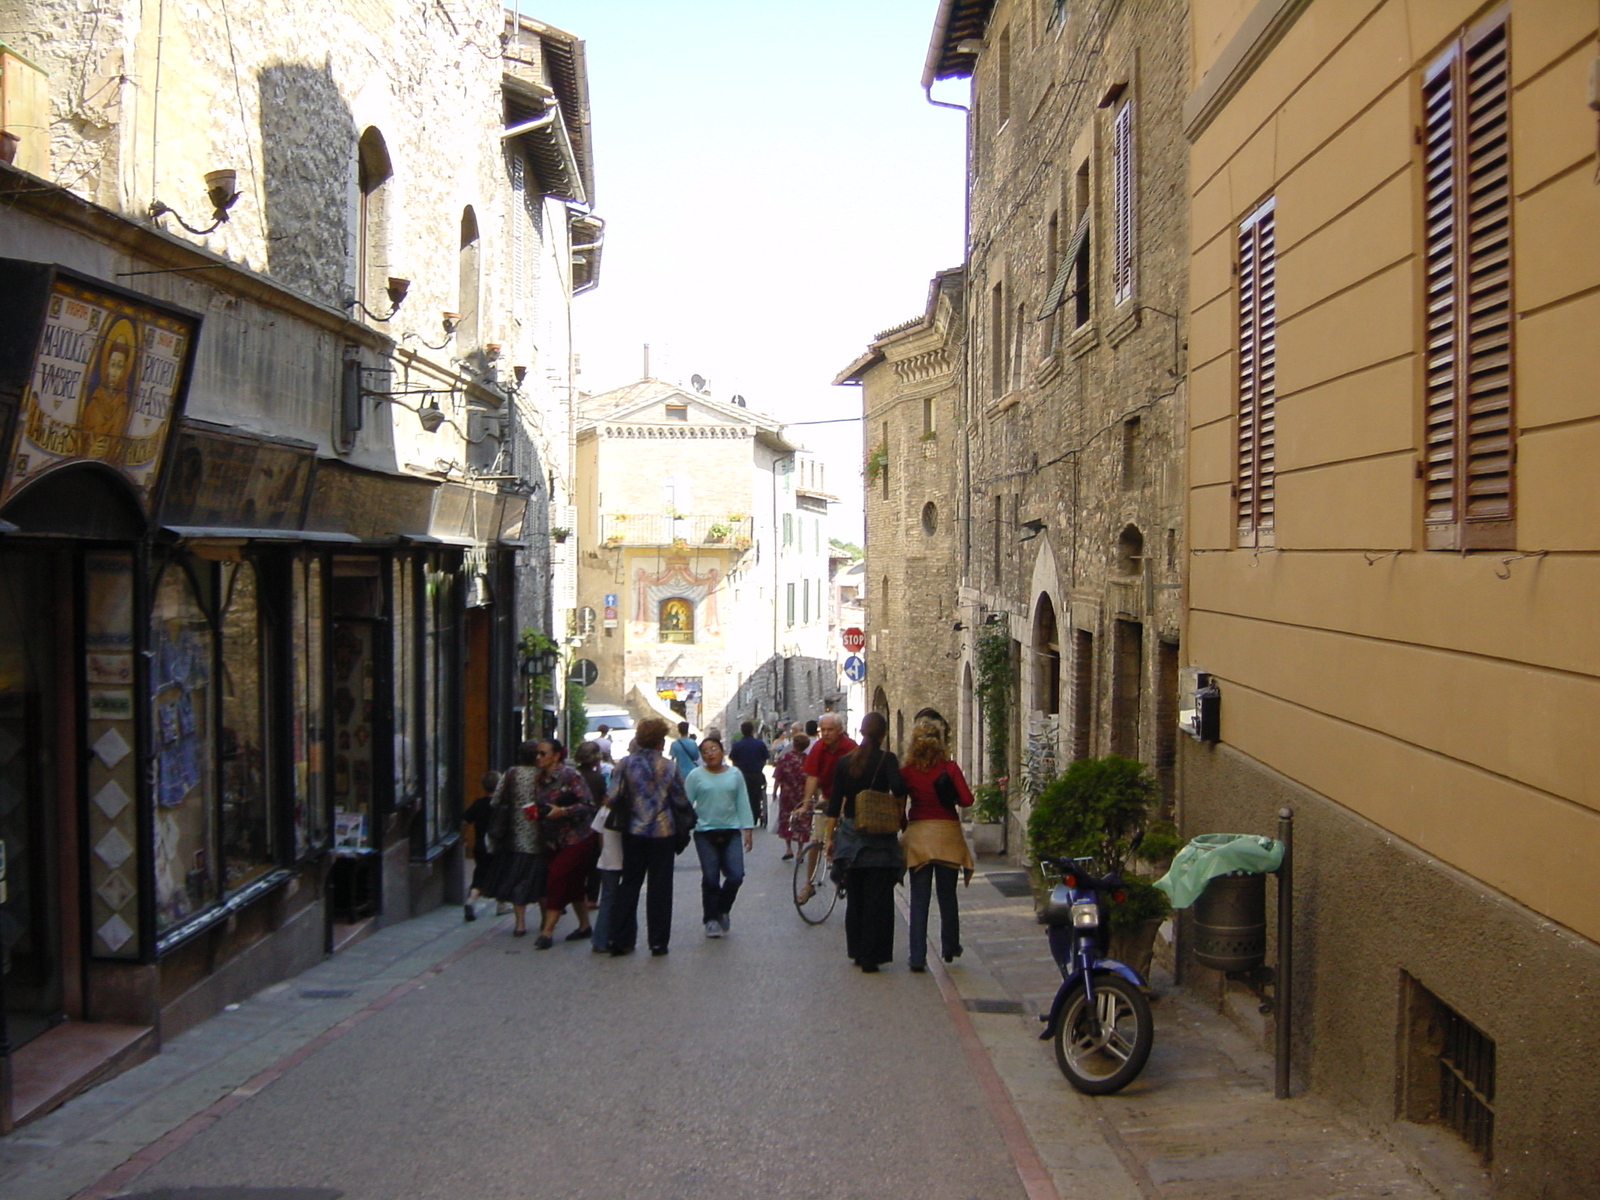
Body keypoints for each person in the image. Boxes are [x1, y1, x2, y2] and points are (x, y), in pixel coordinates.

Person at [829, 712, 907, 973]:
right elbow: (898, 789)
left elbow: (834, 803)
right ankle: (873, 955)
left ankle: (857, 950)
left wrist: (830, 838)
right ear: (883, 734)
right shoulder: (887, 759)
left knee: (856, 897)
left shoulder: (844, 762)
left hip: (851, 837)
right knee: (879, 899)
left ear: (861, 732)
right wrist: (899, 815)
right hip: (879, 838)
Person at [607, 717, 689, 956]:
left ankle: (621, 939)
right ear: (659, 741)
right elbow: (681, 800)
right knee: (660, 888)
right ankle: (658, 942)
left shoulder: (625, 764)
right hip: (664, 831)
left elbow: (612, 797)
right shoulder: (670, 767)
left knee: (630, 884)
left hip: (634, 831)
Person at [899, 717, 975, 972]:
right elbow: (967, 800)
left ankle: (917, 957)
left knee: (918, 899)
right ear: (940, 742)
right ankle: (950, 946)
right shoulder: (949, 768)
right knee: (947, 894)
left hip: (919, 834)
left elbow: (899, 804)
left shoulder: (907, 771)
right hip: (947, 836)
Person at [526, 740, 599, 949]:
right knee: (574, 883)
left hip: (577, 837)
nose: (538, 757)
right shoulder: (539, 779)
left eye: (543, 753)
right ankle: (585, 926)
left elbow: (588, 805)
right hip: (552, 840)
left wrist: (564, 811)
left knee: (557, 878)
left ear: (556, 756)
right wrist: (537, 812)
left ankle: (547, 931)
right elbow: (542, 805)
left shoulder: (570, 776)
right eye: (536, 754)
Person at [685, 736, 755, 938]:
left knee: (735, 876)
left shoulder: (735, 774)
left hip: (730, 830)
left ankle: (722, 908)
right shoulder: (695, 776)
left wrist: (747, 829)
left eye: (713, 749)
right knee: (711, 878)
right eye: (705, 751)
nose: (710, 754)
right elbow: (686, 804)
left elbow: (742, 800)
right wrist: (683, 828)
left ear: (722, 751)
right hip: (705, 832)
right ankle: (711, 919)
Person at [487, 741, 559, 938]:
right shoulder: (544, 774)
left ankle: (520, 924)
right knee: (543, 881)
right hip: (543, 835)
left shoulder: (512, 773)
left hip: (517, 837)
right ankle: (546, 922)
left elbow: (495, 800)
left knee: (519, 879)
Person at [795, 713, 857, 902]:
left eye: (830, 730)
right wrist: (806, 804)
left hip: (849, 798)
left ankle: (847, 876)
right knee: (816, 840)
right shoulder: (819, 748)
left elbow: (854, 780)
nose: (826, 734)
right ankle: (809, 883)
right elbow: (812, 776)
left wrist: (844, 807)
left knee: (847, 840)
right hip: (829, 797)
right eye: (823, 730)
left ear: (840, 730)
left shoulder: (851, 748)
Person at [461, 770, 501, 921]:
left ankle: (471, 901)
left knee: (480, 875)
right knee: (501, 874)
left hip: (481, 846)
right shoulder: (502, 805)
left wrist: (463, 836)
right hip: (498, 846)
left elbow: (465, 821)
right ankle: (502, 904)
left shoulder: (478, 803)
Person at [772, 732, 811, 860]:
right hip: (803, 794)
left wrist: (774, 792)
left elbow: (778, 777)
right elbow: (813, 779)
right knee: (802, 820)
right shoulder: (808, 760)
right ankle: (800, 850)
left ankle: (788, 848)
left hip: (787, 794)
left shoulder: (785, 758)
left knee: (787, 819)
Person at [728, 720, 771, 828]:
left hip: (741, 775)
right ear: (752, 731)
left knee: (741, 795)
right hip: (756, 775)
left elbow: (733, 760)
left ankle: (741, 816)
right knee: (755, 796)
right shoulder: (759, 744)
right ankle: (754, 816)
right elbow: (765, 759)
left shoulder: (737, 745)